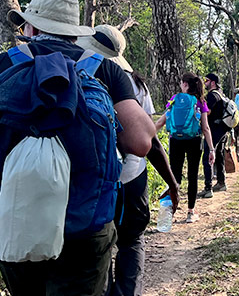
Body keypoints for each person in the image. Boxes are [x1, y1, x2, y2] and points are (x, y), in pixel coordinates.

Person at [0, 0, 157, 296]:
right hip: (87, 224)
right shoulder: (104, 68)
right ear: (75, 33)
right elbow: (141, 143)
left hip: (15, 223)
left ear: (31, 28)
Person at [76, 24, 178, 296]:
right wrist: (172, 182)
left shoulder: (72, 70)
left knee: (96, 243)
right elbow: (150, 141)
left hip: (89, 180)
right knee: (131, 240)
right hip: (131, 177)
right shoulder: (135, 83)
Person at [154, 72, 215, 223]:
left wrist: (148, 134)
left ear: (185, 84)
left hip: (175, 140)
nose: (180, 86)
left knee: (173, 177)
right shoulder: (200, 101)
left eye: (181, 83)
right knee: (192, 176)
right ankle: (190, 213)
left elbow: (162, 120)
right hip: (194, 141)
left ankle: (168, 214)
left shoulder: (174, 99)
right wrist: (211, 149)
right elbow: (206, 128)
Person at [198, 73, 231, 198]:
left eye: (206, 80)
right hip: (223, 129)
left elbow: (208, 111)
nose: (205, 83)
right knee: (219, 155)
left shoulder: (212, 96)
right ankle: (221, 183)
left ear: (213, 82)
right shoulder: (221, 93)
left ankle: (208, 188)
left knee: (208, 156)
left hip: (213, 131)